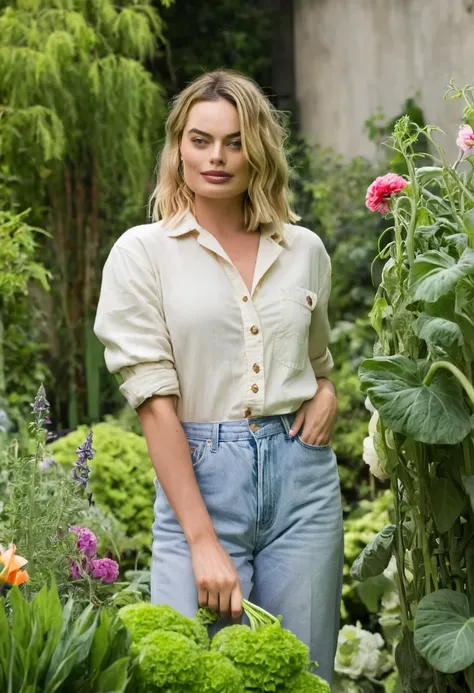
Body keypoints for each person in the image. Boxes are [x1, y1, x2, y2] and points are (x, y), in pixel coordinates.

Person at [94, 69, 344, 684]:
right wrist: (202, 540)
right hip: (199, 479)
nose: (217, 157)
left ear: (257, 150)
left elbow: (316, 365)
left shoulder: (304, 249)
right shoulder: (142, 252)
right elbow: (154, 404)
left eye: (234, 141)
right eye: (201, 139)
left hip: (302, 484)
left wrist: (330, 395)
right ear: (178, 146)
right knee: (194, 673)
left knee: (305, 676)